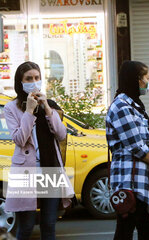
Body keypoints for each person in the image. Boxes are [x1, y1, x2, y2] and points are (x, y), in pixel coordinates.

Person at [4, 61, 74, 240]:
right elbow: (19, 139)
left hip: (49, 169)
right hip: (25, 172)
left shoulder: (48, 104)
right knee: (26, 227)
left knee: (49, 225)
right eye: (28, 78)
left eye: (37, 77)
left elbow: (61, 134)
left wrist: (48, 109)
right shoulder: (11, 108)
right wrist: (29, 111)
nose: (33, 81)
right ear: (20, 82)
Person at [106, 60, 149, 240]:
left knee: (147, 230)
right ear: (137, 79)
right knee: (125, 230)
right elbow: (135, 145)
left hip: (143, 180)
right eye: (147, 77)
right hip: (129, 181)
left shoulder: (135, 105)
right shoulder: (121, 106)